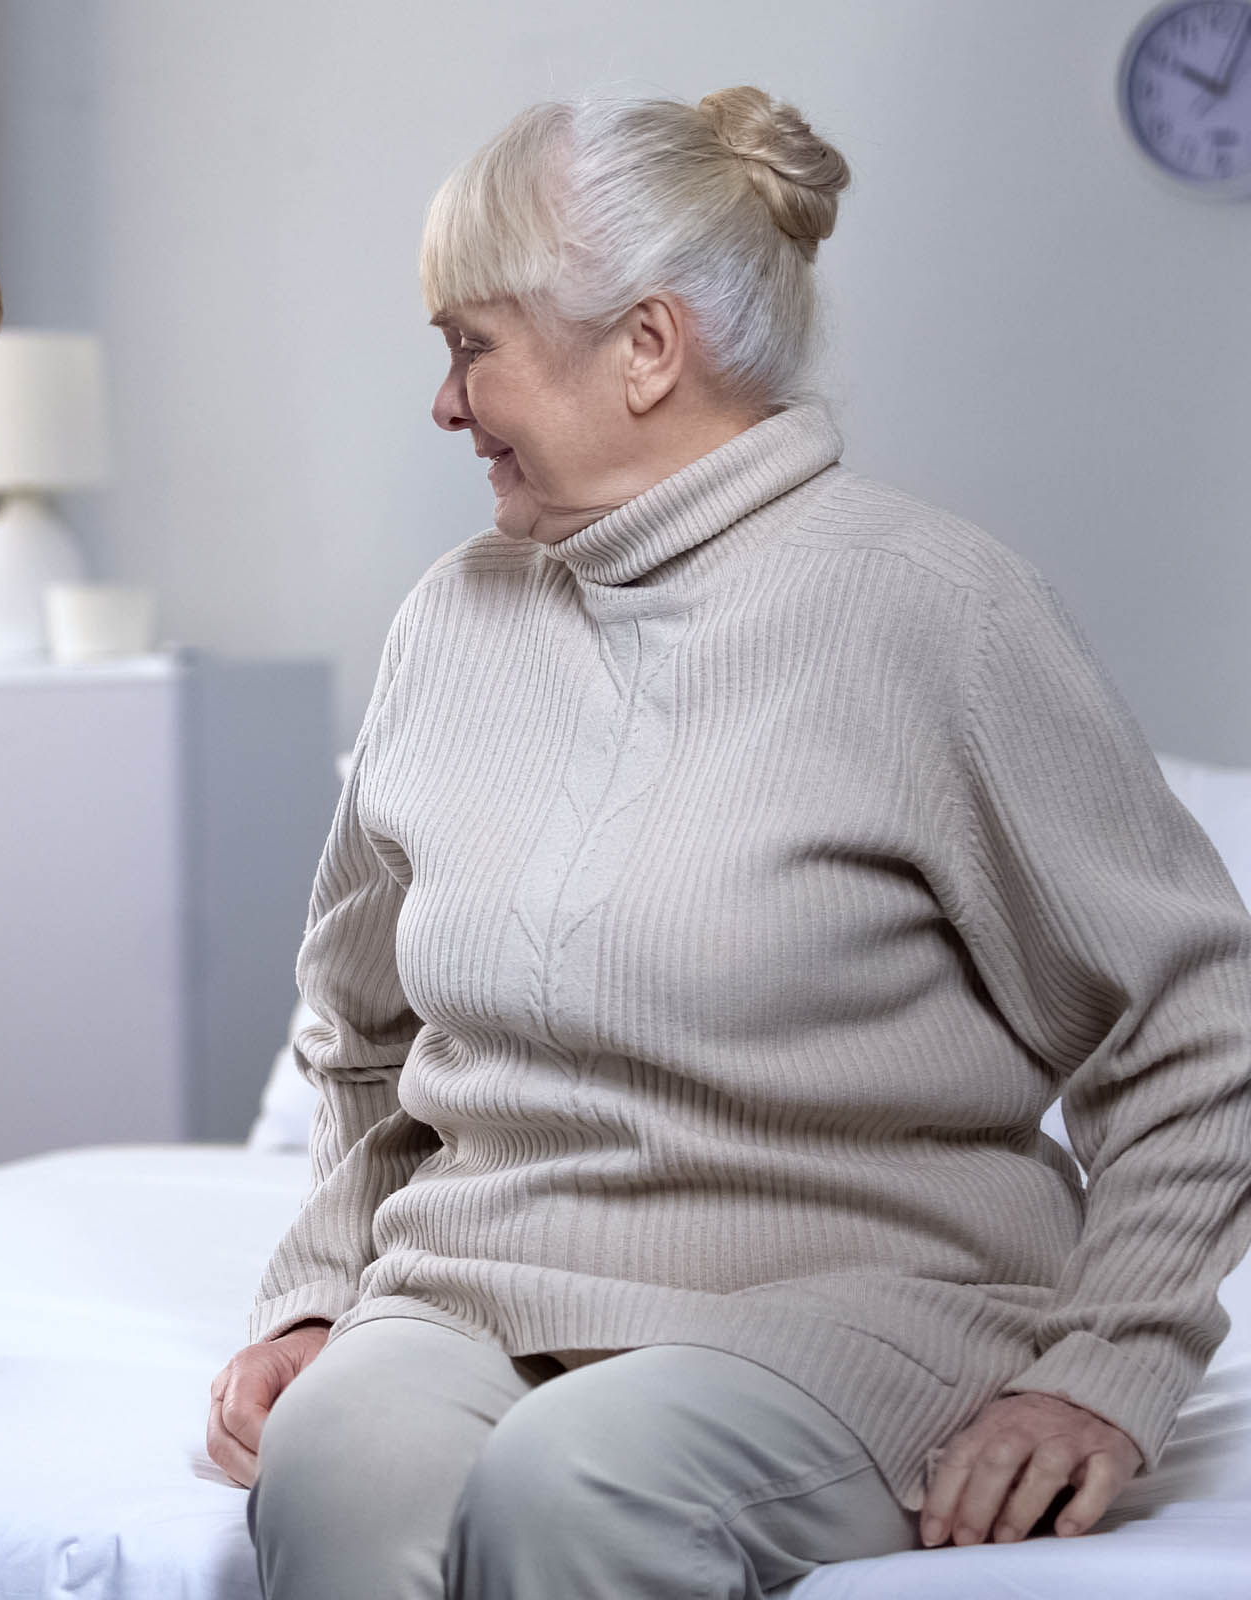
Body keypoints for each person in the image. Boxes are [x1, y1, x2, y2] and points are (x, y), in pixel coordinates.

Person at [204, 86, 1251, 1599]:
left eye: (470, 347)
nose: (443, 404)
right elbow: (363, 1030)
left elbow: (1202, 1027)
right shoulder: (453, 618)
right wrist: (316, 1296)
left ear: (646, 346)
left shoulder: (933, 611)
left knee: (575, 1488)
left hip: (853, 1302)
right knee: (334, 1473)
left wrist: (1107, 1363)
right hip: (471, 1286)